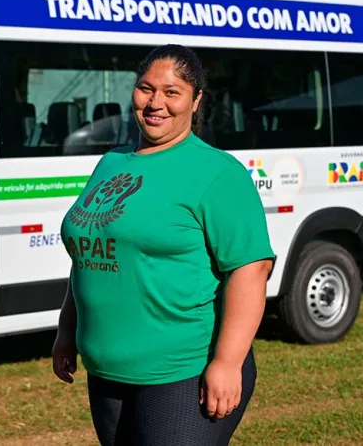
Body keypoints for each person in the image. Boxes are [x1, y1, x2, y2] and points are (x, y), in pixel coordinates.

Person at [52, 44, 275, 446]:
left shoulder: (218, 172)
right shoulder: (111, 162)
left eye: (172, 92)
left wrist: (227, 363)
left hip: (183, 371)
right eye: (146, 89)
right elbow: (90, 254)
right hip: (107, 371)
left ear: (196, 100)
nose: (156, 103)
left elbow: (251, 268)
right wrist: (67, 330)